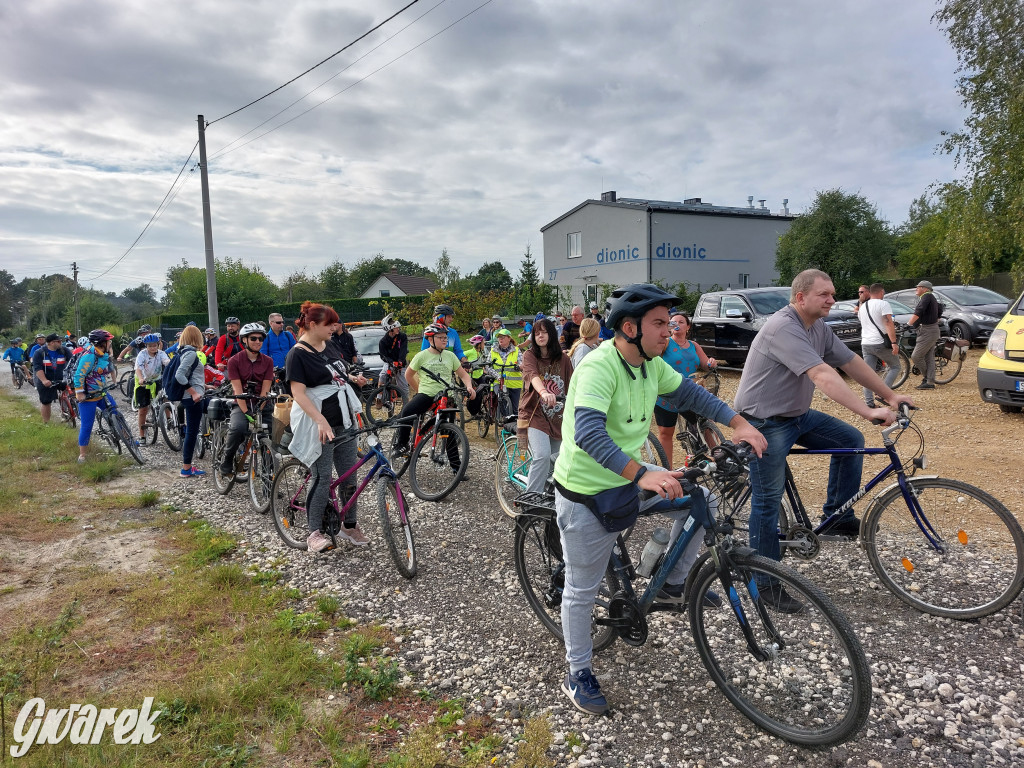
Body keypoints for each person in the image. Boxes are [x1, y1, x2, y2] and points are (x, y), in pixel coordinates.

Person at [552, 284, 766, 716]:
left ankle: (671, 584)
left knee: (701, 499)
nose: (669, 331)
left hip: (630, 478)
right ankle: (577, 674)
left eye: (669, 323)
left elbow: (691, 394)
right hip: (587, 492)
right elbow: (589, 433)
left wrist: (738, 422)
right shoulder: (598, 367)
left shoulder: (651, 363)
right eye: (659, 323)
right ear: (630, 328)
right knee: (581, 589)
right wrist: (644, 473)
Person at [732, 269, 915, 612]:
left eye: (832, 294)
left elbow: (850, 361)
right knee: (767, 501)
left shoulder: (817, 326)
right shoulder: (783, 327)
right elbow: (821, 374)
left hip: (796, 415)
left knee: (850, 441)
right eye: (824, 294)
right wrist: (867, 410)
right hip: (763, 422)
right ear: (801, 297)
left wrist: (890, 395)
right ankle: (765, 583)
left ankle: (838, 516)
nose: (832, 299)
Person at [286, 302, 368, 551]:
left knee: (349, 476)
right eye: (329, 324)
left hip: (344, 420)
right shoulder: (297, 354)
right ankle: (314, 533)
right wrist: (320, 421)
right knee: (322, 477)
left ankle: (349, 525)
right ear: (312, 325)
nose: (335, 327)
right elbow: (298, 394)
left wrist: (353, 378)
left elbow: (335, 373)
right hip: (319, 424)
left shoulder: (329, 344)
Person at [395, 323, 476, 457]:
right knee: (407, 412)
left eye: (445, 337)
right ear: (430, 339)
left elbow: (463, 375)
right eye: (441, 337)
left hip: (446, 397)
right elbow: (408, 375)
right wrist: (418, 389)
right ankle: (401, 444)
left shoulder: (450, 356)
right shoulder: (421, 356)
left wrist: (469, 386)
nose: (445, 340)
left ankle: (456, 465)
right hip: (426, 395)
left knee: (449, 432)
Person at [653, 311, 717, 469]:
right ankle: (667, 470)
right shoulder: (665, 343)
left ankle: (718, 456)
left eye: (681, 322)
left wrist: (711, 363)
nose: (676, 325)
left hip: (689, 392)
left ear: (688, 327)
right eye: (673, 322)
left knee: (705, 423)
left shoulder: (694, 345)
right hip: (666, 396)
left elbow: (705, 364)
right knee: (666, 433)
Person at [519, 318, 572, 495]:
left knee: (557, 460)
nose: (540, 336)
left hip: (558, 416)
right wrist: (543, 392)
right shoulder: (529, 355)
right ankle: (530, 501)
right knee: (542, 455)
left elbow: (573, 385)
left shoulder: (564, 359)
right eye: (537, 333)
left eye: (544, 332)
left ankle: (548, 496)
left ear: (552, 334)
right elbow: (532, 376)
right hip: (534, 413)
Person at [218, 322, 276, 478]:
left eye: (261, 339)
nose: (258, 342)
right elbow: (238, 390)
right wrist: (246, 412)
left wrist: (259, 409)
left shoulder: (268, 361)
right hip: (241, 403)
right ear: (244, 340)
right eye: (253, 338)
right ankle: (227, 460)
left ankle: (268, 475)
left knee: (271, 435)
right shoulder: (234, 361)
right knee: (238, 428)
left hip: (261, 403)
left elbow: (265, 390)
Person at [74, 329, 117, 462]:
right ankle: (82, 455)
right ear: (102, 343)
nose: (110, 343)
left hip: (101, 392)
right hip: (88, 397)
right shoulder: (89, 356)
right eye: (108, 341)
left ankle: (128, 438)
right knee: (87, 425)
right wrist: (79, 393)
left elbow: (104, 370)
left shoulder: (102, 354)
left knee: (116, 413)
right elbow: (79, 375)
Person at [858, 283, 901, 407]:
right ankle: (883, 394)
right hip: (879, 342)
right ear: (881, 292)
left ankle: (869, 403)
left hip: (865, 343)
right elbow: (888, 323)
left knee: (868, 374)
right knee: (895, 366)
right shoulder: (883, 304)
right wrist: (894, 342)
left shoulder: (863, 306)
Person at [175, 325, 208, 477]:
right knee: (192, 432)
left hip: (194, 395)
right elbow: (180, 375)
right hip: (193, 398)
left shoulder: (183, 351)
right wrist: (194, 392)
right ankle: (186, 468)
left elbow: (191, 375)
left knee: (192, 430)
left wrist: (204, 386)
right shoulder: (190, 354)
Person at [133, 333, 170, 437]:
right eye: (150, 346)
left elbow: (166, 361)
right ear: (146, 346)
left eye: (154, 345)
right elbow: (138, 368)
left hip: (157, 379)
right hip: (143, 381)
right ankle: (142, 435)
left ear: (158, 345)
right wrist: (141, 379)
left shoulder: (161, 353)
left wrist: (170, 363)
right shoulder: (142, 354)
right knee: (143, 409)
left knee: (166, 397)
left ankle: (169, 419)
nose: (153, 348)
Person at [908, 280, 941, 390]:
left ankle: (927, 378)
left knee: (916, 356)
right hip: (931, 330)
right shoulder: (930, 297)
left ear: (925, 289)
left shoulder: (927, 296)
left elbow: (919, 310)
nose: (916, 288)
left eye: (919, 287)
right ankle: (930, 382)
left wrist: (909, 324)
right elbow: (940, 308)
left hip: (927, 331)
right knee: (929, 357)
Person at [488, 327, 523, 420]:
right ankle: (503, 420)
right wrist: (497, 376)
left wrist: (519, 367)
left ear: (509, 338)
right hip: (499, 382)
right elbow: (488, 366)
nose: (500, 339)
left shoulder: (516, 350)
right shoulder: (493, 350)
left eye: (503, 337)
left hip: (515, 384)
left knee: (515, 410)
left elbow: (522, 363)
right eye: (499, 337)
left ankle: (513, 426)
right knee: (502, 401)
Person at [32, 333, 67, 423]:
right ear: (51, 343)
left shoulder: (64, 350)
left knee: (70, 394)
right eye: (59, 341)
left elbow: (73, 361)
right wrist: (44, 380)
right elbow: (38, 368)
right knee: (46, 401)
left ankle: (66, 413)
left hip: (61, 377)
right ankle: (46, 423)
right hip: (46, 379)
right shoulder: (39, 353)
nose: (61, 343)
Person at [377, 314, 409, 402]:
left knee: (404, 385)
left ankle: (406, 402)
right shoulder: (383, 341)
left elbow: (403, 350)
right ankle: (379, 397)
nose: (398, 329)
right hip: (389, 363)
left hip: (401, 364)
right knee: (382, 376)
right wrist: (391, 362)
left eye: (398, 327)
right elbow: (383, 356)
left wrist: (400, 361)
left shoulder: (402, 337)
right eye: (396, 328)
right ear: (390, 329)